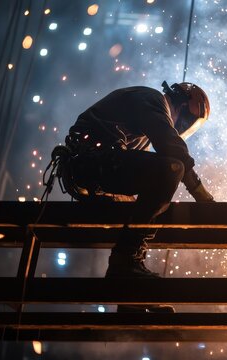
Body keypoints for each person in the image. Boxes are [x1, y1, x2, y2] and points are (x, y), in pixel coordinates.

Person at [53, 82, 214, 284]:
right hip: (93, 162)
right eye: (186, 122)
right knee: (171, 169)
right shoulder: (152, 98)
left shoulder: (142, 133)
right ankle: (125, 260)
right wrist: (202, 195)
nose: (180, 128)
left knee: (148, 209)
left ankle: (131, 283)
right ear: (182, 106)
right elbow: (171, 147)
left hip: (96, 168)